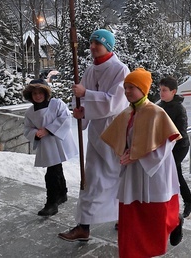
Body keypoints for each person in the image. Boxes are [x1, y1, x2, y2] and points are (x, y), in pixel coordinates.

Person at [101, 68, 183, 258]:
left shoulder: (156, 112)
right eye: (126, 87)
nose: (127, 91)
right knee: (132, 212)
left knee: (153, 212)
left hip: (153, 170)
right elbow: (119, 139)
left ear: (143, 89)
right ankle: (131, 251)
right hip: (133, 169)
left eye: (132, 87)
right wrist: (123, 153)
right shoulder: (127, 113)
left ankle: (151, 246)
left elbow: (167, 143)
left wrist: (138, 155)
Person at [58, 29, 129, 242]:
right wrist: (81, 112)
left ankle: (121, 217)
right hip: (97, 135)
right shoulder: (90, 70)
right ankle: (84, 226)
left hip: (115, 132)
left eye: (96, 43)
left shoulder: (120, 70)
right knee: (92, 180)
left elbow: (116, 102)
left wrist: (86, 95)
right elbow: (80, 98)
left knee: (117, 179)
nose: (92, 47)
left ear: (108, 45)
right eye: (90, 43)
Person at [23, 79, 78, 217]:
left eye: (40, 92)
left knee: (52, 172)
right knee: (55, 168)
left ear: (46, 93)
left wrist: (48, 130)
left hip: (58, 140)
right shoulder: (30, 112)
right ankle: (62, 194)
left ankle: (52, 203)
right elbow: (27, 128)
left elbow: (65, 117)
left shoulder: (56, 104)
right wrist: (35, 133)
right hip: (46, 145)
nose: (38, 96)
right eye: (34, 93)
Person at [158, 76, 191, 219]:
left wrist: (167, 139)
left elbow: (180, 132)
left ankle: (187, 202)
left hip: (178, 146)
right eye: (160, 90)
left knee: (173, 173)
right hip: (166, 146)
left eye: (164, 90)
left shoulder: (179, 108)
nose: (161, 93)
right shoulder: (161, 105)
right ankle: (187, 202)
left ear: (173, 91)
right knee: (174, 173)